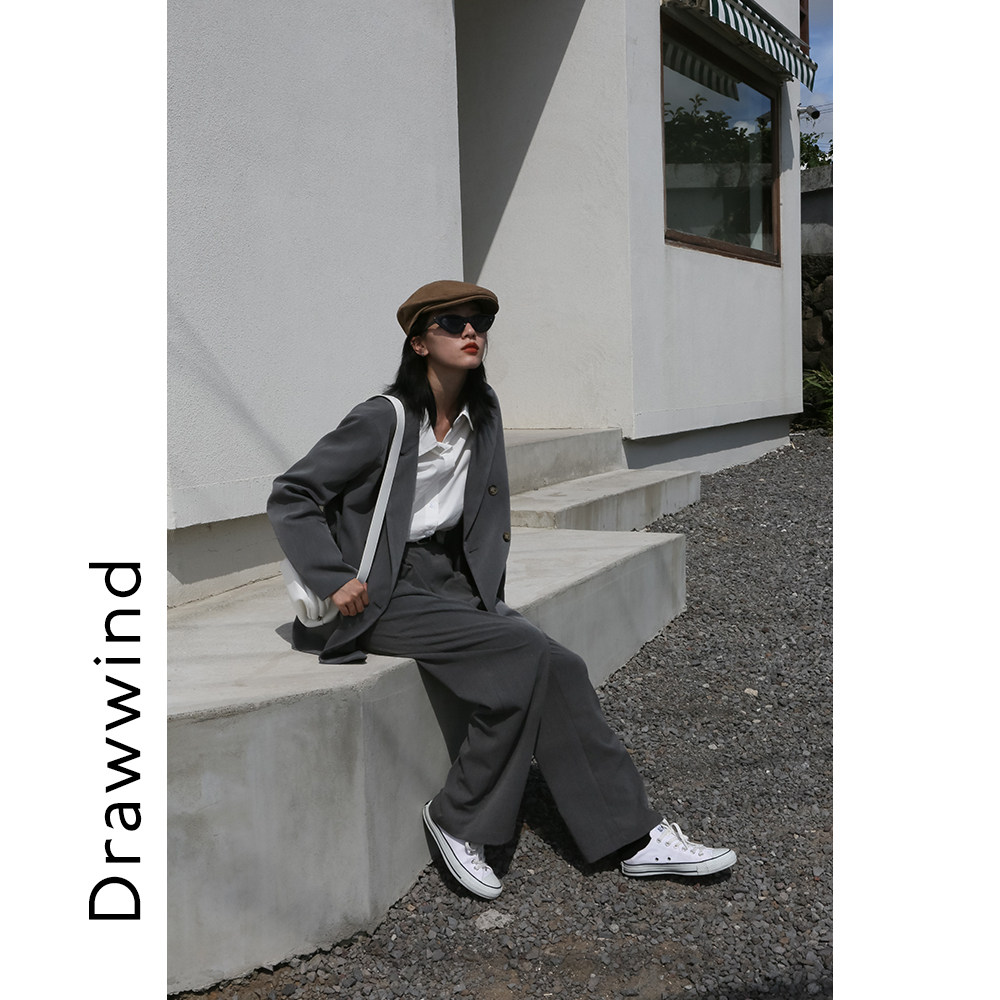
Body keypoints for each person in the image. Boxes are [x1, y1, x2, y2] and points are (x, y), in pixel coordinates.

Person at [267, 280, 736, 899]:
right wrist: (334, 578)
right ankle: (459, 817)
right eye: (451, 323)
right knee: (523, 654)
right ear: (418, 344)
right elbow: (293, 492)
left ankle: (635, 836)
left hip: (449, 581)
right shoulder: (385, 417)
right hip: (383, 589)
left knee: (560, 666)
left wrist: (484, 592)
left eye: (478, 322)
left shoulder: (482, 413)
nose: (470, 331)